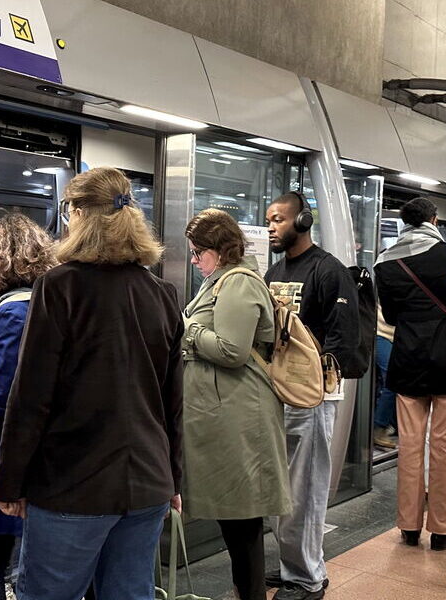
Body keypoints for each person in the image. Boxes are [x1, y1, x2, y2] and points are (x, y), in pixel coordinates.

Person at [0, 167, 184, 600]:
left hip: (72, 485)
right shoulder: (162, 294)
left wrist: (10, 482)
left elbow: (32, 397)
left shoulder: (59, 288)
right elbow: (173, 401)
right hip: (147, 482)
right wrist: (173, 478)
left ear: (78, 214)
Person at [183, 209, 292, 600]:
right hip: (227, 411)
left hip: (239, 414)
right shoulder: (220, 280)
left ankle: (250, 594)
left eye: (198, 252)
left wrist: (187, 329)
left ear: (220, 249)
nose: (194, 260)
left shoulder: (238, 282)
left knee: (242, 519)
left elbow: (232, 350)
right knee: (235, 516)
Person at [262, 192, 360, 600]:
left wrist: (320, 384)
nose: (271, 227)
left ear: (303, 221)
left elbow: (343, 335)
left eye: (279, 219)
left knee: (306, 488)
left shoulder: (328, 270)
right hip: (278, 391)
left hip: (313, 396)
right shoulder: (274, 271)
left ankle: (307, 578)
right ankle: (294, 563)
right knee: (283, 488)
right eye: (269, 220)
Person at [374, 197, 446, 552]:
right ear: (434, 220)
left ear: (405, 223)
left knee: (409, 446)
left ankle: (408, 525)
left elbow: (390, 317)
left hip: (408, 359)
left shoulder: (385, 262)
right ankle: (443, 528)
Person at [0, 213, 58, 600]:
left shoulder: (10, 310)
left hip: (12, 449)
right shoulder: (52, 301)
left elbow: (6, 390)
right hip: (50, 446)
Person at [373, 311, 398, 450]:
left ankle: (391, 424)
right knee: (391, 380)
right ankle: (379, 427)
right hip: (380, 332)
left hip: (399, 335)